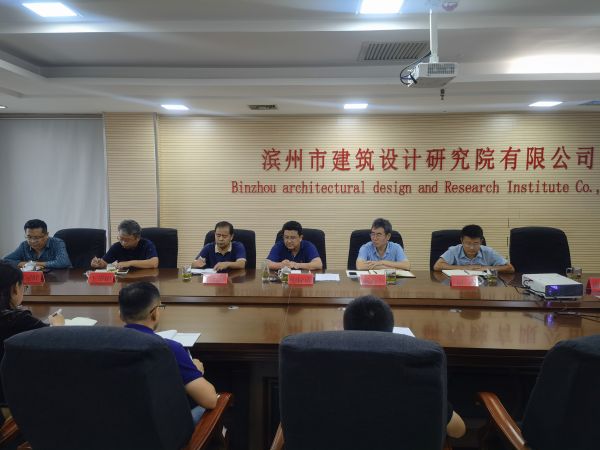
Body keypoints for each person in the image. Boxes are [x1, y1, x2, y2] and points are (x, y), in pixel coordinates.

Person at [343, 295, 466, 439]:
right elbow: (458, 430)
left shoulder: (329, 373)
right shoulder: (416, 375)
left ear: (346, 330)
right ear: (390, 331)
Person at [118, 282, 218, 424]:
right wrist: (195, 371)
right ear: (154, 313)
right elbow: (210, 400)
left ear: (120, 315)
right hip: (162, 431)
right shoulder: (169, 348)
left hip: (116, 426)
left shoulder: (105, 345)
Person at [0, 261, 64, 408]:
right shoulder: (18, 320)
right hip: (13, 396)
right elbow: (55, 343)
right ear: (15, 289)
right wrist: (58, 325)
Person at [433, 224, 515, 273]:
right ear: (461, 241)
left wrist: (486, 268)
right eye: (468, 243)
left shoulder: (488, 252)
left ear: (481, 241)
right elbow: (437, 266)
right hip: (459, 286)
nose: (471, 248)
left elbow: (510, 268)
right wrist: (464, 268)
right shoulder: (454, 250)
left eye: (476, 243)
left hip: (482, 286)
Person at [3, 219, 71, 269]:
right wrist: (25, 264)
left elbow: (64, 262)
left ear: (46, 235)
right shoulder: (24, 245)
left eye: (37, 237)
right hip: (33, 280)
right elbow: (5, 261)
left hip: (58, 280)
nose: (32, 241)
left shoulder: (57, 243)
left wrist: (32, 264)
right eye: (29, 237)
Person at [91, 219, 158, 269]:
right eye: (120, 238)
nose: (123, 243)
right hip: (124, 279)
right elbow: (104, 262)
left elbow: (154, 263)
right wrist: (99, 263)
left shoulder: (147, 244)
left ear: (137, 238)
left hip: (144, 278)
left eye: (127, 240)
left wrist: (129, 263)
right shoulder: (117, 246)